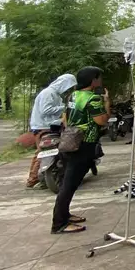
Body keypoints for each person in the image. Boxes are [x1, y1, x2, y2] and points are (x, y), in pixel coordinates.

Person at [51, 67, 109, 234]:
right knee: (69, 184)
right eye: (99, 77)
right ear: (93, 80)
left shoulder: (73, 95)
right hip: (84, 144)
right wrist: (107, 102)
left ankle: (65, 215)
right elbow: (102, 121)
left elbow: (65, 118)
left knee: (68, 182)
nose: (101, 80)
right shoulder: (93, 98)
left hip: (70, 141)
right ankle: (59, 224)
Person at [27, 73, 77, 188]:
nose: (67, 90)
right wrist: (64, 107)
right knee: (42, 152)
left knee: (51, 151)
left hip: (50, 125)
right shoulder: (48, 93)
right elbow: (45, 110)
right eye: (68, 87)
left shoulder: (55, 94)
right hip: (42, 126)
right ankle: (33, 179)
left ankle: (44, 177)